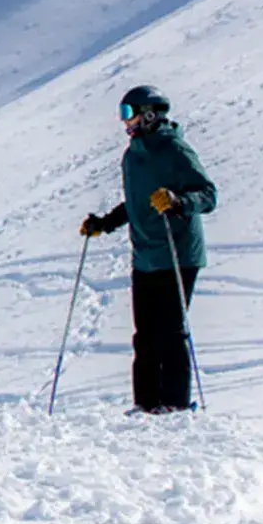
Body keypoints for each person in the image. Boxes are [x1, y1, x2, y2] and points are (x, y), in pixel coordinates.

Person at [82, 85, 217, 414]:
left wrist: (178, 202)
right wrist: (105, 223)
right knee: (144, 335)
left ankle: (175, 405)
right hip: (145, 254)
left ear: (149, 115)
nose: (124, 121)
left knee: (170, 331)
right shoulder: (132, 155)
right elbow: (136, 203)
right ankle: (145, 404)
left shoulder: (174, 149)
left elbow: (208, 195)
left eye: (129, 113)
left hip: (178, 252)